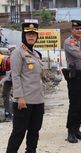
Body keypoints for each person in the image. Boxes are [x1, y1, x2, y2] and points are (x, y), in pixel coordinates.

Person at [6, 21, 44, 153]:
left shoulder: (37, 54)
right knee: (18, 133)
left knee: (34, 132)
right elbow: (15, 77)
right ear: (24, 35)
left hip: (38, 100)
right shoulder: (18, 53)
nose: (31, 36)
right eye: (28, 34)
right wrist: (19, 97)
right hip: (24, 101)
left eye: (34, 34)